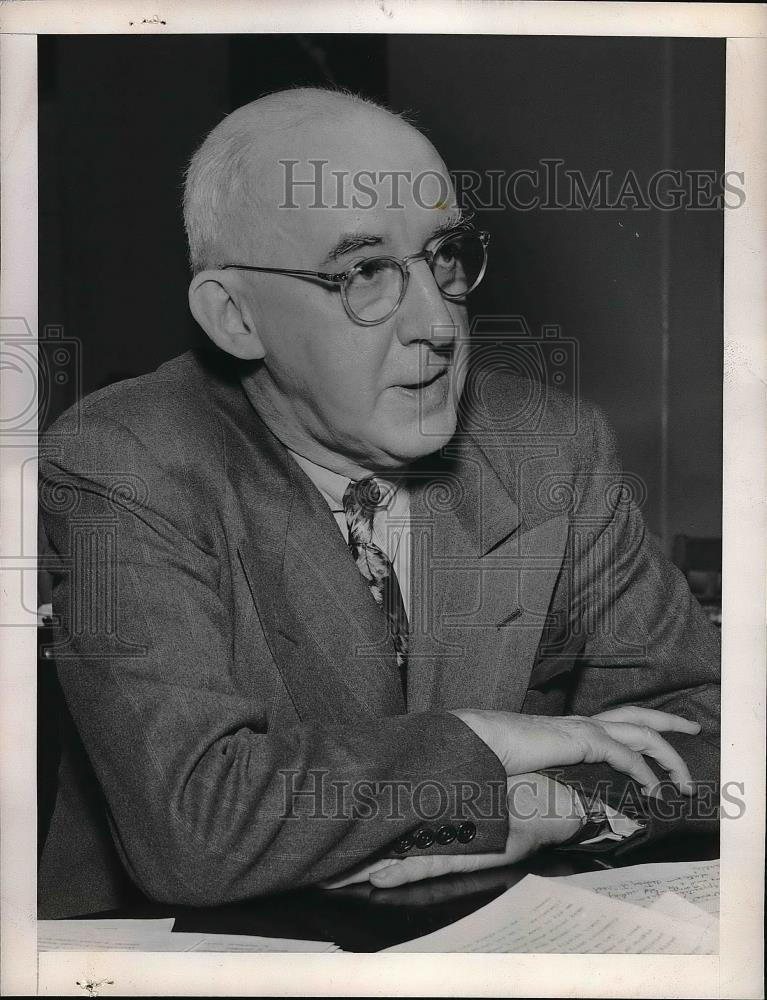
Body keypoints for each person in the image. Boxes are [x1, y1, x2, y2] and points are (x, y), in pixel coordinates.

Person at [38, 88, 720, 919]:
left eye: (444, 257)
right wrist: (487, 744)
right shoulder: (126, 458)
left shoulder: (548, 446)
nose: (437, 323)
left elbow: (712, 727)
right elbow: (199, 827)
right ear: (234, 316)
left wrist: (549, 806)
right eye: (365, 272)